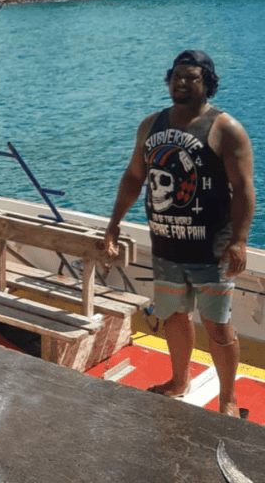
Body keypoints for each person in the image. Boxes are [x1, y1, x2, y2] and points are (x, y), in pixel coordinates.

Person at [103, 50, 255, 418]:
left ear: (208, 85)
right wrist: (113, 223)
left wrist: (239, 240)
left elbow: (245, 189)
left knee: (217, 326)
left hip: (211, 249)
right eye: (178, 77)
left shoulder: (225, 129)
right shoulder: (151, 125)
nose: (183, 83)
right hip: (167, 246)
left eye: (193, 78)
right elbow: (134, 177)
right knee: (174, 317)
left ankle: (229, 397)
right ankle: (179, 380)